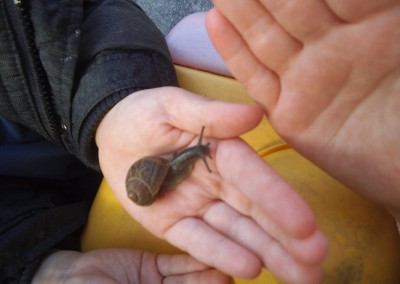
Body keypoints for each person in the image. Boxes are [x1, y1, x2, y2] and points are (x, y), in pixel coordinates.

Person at [0, 0, 328, 283]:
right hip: (61, 218)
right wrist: (33, 267)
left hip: (88, 141)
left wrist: (114, 102)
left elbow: (63, 16)